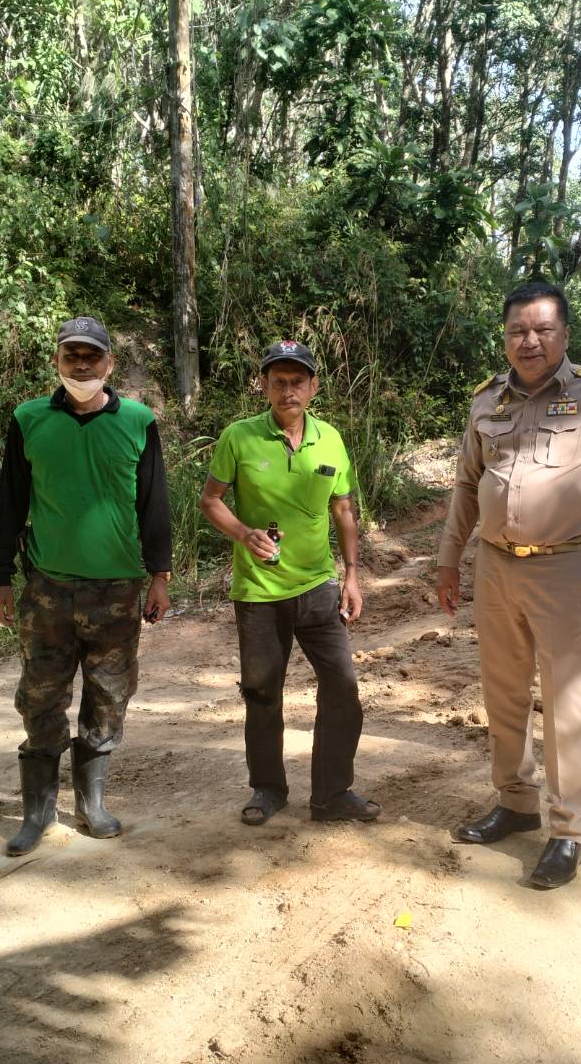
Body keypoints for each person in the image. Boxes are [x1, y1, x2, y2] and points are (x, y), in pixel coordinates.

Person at [437, 281, 581, 890]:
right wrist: (449, 559)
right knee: (502, 694)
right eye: (517, 331)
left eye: (541, 330)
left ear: (564, 336)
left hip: (563, 569)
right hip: (495, 567)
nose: (528, 341)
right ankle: (516, 802)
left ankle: (569, 830)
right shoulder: (486, 401)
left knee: (565, 705)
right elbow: (466, 486)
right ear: (505, 339)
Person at [0, 315, 173, 856]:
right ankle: (37, 814)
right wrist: (1, 576)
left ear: (110, 363)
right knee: (40, 697)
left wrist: (160, 577)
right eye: (72, 355)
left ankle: (91, 806)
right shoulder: (29, 419)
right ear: (57, 362)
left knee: (109, 695)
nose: (83, 365)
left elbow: (154, 506)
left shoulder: (139, 422)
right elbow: (10, 503)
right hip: (46, 588)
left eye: (92, 356)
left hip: (117, 589)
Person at [199, 340, 379, 826]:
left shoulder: (331, 440)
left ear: (313, 387)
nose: (288, 390)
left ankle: (332, 794)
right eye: (277, 381)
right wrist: (242, 532)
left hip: (318, 586)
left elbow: (343, 508)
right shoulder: (239, 437)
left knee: (342, 687)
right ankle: (268, 789)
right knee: (262, 693)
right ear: (264, 386)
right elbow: (210, 499)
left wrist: (352, 575)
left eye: (297, 381)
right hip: (258, 591)